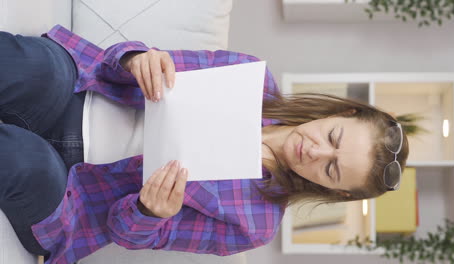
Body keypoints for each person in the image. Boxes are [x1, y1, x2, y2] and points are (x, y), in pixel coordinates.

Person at [0, 24, 409, 264]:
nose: (316, 152)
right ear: (342, 113)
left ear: (333, 190)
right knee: (44, 69)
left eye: (330, 168)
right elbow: (115, 63)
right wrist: (138, 61)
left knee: (30, 161)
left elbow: (123, 233)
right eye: (332, 137)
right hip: (75, 96)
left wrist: (149, 212)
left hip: (71, 199)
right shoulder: (251, 80)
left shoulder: (254, 223)